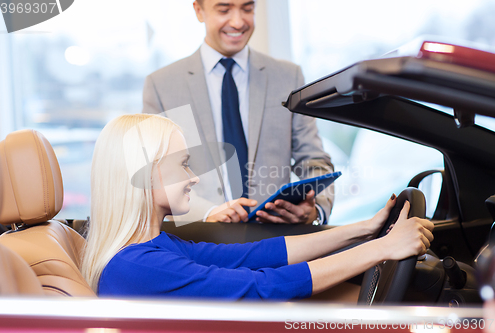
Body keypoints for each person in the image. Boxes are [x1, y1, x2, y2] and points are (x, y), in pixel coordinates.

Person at [81, 114, 434, 299]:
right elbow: (263, 286)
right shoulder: (140, 266)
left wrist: (364, 230)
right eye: (184, 164)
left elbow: (257, 255)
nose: (195, 177)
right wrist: (383, 248)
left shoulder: (153, 247)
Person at [142, 0, 334, 224]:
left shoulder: (288, 77)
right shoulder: (162, 85)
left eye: (247, 8)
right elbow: (155, 174)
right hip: (197, 241)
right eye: (224, 10)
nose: (238, 21)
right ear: (198, 10)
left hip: (276, 240)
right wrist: (207, 212)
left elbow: (314, 160)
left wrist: (316, 210)